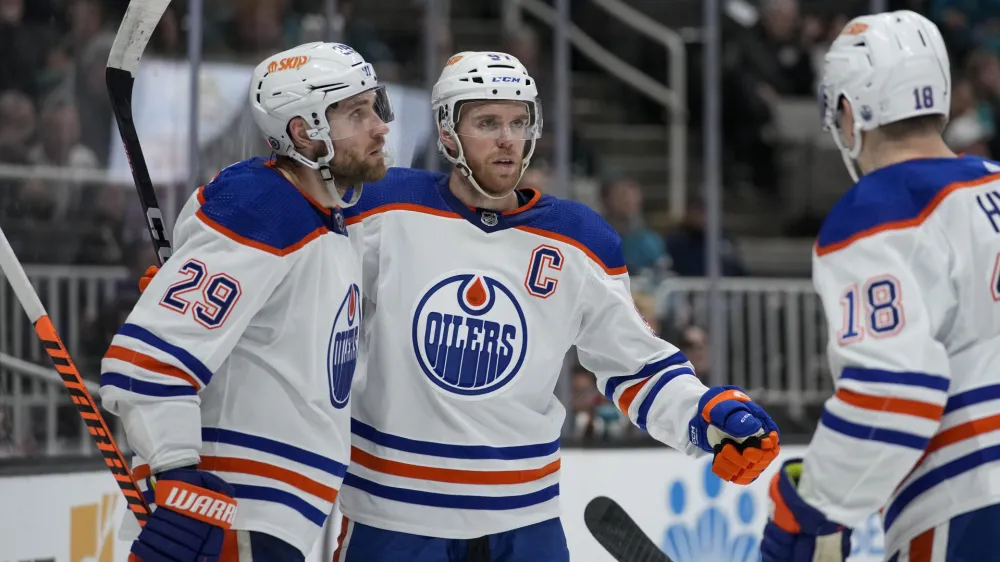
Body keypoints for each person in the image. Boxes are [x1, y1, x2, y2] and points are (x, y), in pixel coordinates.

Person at [330, 51, 781, 561]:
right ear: (448, 132)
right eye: (487, 122)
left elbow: (634, 365)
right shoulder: (379, 206)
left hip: (524, 518)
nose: (507, 138)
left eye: (519, 122)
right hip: (392, 513)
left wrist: (703, 417)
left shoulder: (579, 238)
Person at [99, 42, 392, 562]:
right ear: (305, 132)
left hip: (269, 520)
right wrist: (180, 477)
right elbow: (146, 363)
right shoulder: (265, 209)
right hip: (230, 518)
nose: (380, 126)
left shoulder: (328, 217)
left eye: (376, 106)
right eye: (357, 113)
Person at [762, 11, 1000, 562]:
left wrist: (812, 509)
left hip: (970, 505)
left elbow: (895, 392)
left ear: (848, 113)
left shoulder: (878, 210)